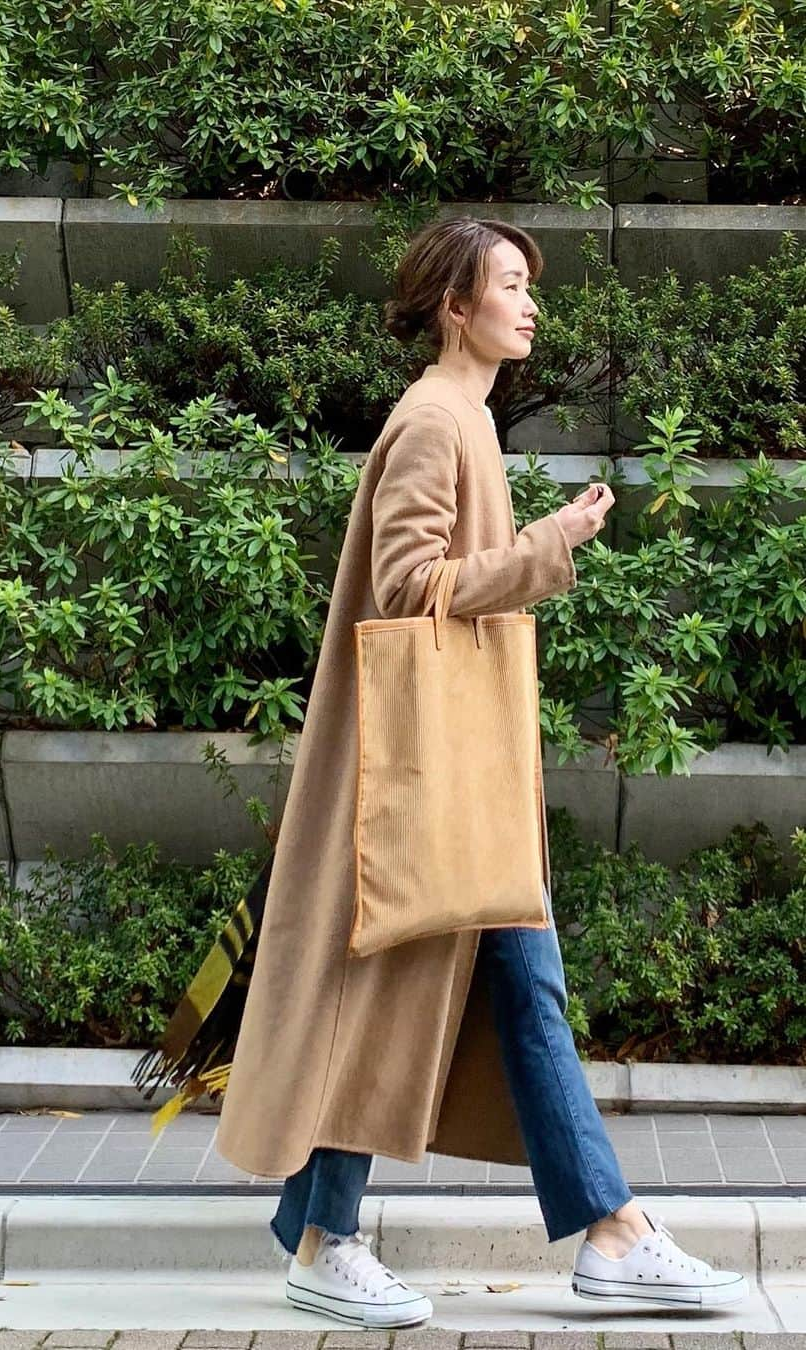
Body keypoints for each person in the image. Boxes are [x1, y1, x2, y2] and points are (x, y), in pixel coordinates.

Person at [212, 216, 749, 1328]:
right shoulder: (432, 423)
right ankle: (588, 1233)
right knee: (425, 990)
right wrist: (549, 547)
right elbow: (409, 588)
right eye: (510, 284)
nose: (530, 303)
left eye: (527, 286)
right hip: (427, 779)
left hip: (461, 776)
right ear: (454, 307)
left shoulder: (466, 419)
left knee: (469, 992)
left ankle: (575, 1233)